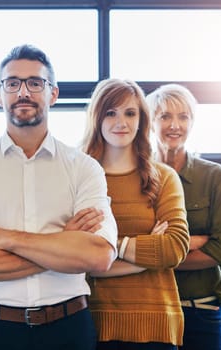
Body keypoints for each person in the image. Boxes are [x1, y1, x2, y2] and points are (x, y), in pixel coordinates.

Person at [0, 44, 118, 350]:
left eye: (35, 83)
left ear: (53, 93)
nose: (23, 91)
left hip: (69, 328)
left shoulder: (84, 168)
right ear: (0, 95)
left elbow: (99, 255)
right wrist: (64, 242)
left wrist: (4, 238)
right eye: (12, 83)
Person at [82, 78, 190, 350]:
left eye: (130, 113)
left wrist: (109, 247)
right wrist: (145, 258)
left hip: (156, 324)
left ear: (142, 119)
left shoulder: (163, 177)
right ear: (97, 118)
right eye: (111, 113)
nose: (122, 122)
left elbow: (175, 247)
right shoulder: (79, 179)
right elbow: (77, 262)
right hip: (93, 322)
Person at [146, 84, 221, 350]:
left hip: (201, 310)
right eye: (165, 116)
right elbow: (126, 242)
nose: (175, 125)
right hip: (150, 309)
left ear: (192, 122)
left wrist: (155, 257)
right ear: (151, 122)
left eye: (183, 117)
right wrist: (196, 241)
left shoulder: (215, 177)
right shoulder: (135, 176)